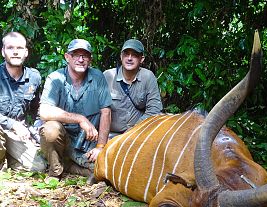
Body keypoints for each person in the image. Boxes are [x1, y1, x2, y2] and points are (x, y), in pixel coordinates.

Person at [39, 39, 112, 180]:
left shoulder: (97, 77)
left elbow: (106, 112)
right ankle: (55, 172)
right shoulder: (55, 78)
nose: (80, 59)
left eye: (85, 56)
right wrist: (80, 118)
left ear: (90, 59)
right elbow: (44, 111)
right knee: (50, 130)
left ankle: (69, 165)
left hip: (87, 142)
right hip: (63, 138)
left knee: (105, 169)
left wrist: (100, 146)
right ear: (67, 57)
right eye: (75, 55)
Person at [0, 32, 46, 172]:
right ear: (3, 51)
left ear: (25, 52)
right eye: (10, 48)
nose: (15, 52)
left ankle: (8, 158)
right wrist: (13, 124)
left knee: (39, 167)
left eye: (19, 48)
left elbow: (36, 110)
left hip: (16, 134)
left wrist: (35, 129)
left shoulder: (33, 77)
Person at [103, 39, 162, 137]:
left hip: (138, 134)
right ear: (121, 56)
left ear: (141, 59)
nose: (129, 58)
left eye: (134, 55)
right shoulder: (108, 76)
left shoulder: (148, 76)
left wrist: (133, 130)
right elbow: (98, 109)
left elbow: (154, 110)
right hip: (110, 135)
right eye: (126, 54)